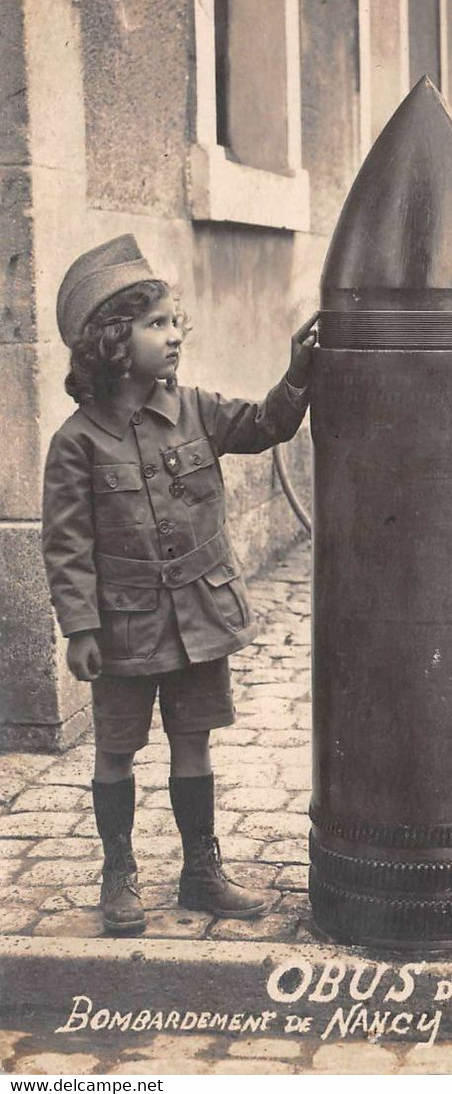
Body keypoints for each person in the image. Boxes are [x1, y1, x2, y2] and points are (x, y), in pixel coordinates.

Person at [42, 234, 317, 935]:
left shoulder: (194, 409)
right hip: (124, 626)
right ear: (110, 341)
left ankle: (201, 871)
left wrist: (298, 375)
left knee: (193, 741)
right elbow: (67, 546)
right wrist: (80, 628)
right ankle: (119, 875)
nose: (173, 336)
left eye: (173, 321)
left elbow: (264, 426)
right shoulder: (77, 442)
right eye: (155, 324)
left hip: (198, 618)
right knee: (115, 750)